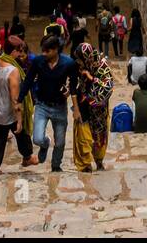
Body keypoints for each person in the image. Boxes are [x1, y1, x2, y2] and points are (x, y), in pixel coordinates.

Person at [20, 35, 77, 172]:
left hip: (60, 107)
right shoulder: (39, 62)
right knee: (37, 138)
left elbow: (74, 83)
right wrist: (19, 100)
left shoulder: (68, 63)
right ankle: (45, 144)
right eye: (43, 50)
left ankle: (56, 165)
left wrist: (71, 95)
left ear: (56, 50)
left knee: (61, 142)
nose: (44, 54)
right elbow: (28, 81)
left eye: (47, 51)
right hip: (42, 105)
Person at [0, 36, 36, 173]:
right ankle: (27, 157)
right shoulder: (13, 71)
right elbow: (15, 100)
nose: (20, 54)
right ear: (13, 51)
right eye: (18, 51)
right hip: (8, 112)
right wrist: (20, 120)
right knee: (22, 133)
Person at [72, 42, 114, 172]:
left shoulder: (102, 66)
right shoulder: (77, 67)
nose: (78, 61)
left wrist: (91, 79)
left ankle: (99, 161)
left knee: (99, 136)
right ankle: (85, 164)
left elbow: (108, 88)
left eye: (79, 58)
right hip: (83, 107)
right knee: (83, 136)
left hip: (99, 111)